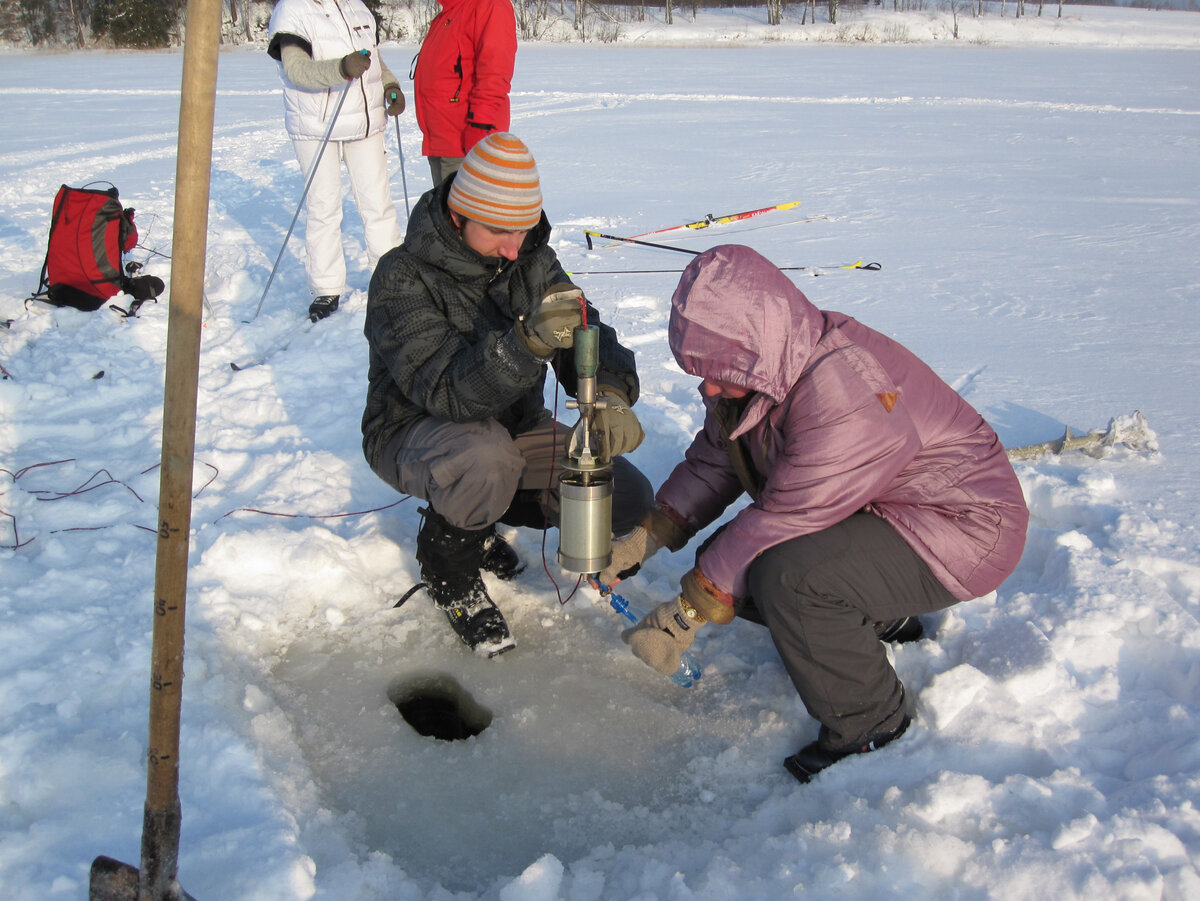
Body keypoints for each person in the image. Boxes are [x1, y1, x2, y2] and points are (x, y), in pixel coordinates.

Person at [600, 244, 1029, 784]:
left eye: (717, 372)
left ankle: (871, 723)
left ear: (752, 347)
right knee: (728, 563)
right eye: (701, 372)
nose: (707, 387)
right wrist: (646, 536)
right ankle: (876, 615)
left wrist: (682, 617)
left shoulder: (840, 396)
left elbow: (782, 518)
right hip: (881, 510)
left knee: (787, 579)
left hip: (961, 527)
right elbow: (717, 458)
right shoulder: (758, 371)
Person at [363, 132, 653, 658]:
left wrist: (609, 391)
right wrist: (524, 345)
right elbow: (448, 394)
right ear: (458, 215)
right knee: (485, 458)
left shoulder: (532, 261)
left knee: (625, 494)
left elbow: (587, 329)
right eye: (499, 230)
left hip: (513, 430)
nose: (513, 248)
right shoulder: (401, 276)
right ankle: (449, 565)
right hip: (413, 433)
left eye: (522, 230)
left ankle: (480, 518)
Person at [268, 0, 407, 322]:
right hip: (317, 126)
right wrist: (340, 69)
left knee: (378, 205)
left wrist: (389, 85)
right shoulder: (292, 10)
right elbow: (296, 70)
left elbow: (373, 60)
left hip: (367, 123)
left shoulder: (356, 6)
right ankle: (326, 287)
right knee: (324, 208)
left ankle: (390, 278)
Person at [412, 0, 517, 185]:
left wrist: (480, 124)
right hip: (441, 139)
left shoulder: (490, 5)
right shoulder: (449, 12)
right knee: (443, 212)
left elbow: (495, 71)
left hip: (466, 141)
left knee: (468, 212)